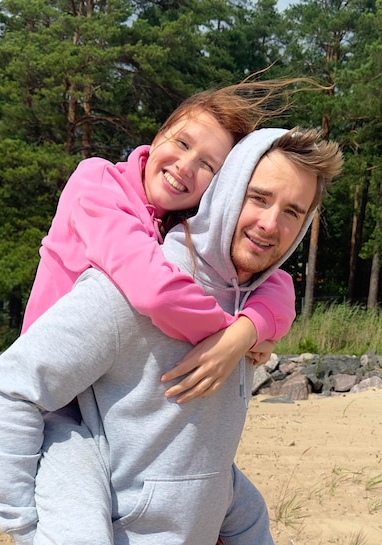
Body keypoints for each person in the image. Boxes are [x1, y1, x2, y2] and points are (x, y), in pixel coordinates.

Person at [0, 127, 343, 545]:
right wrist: (30, 528)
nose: (270, 223)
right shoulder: (128, 292)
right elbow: (6, 391)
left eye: (293, 212)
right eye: (259, 198)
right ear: (229, 191)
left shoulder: (252, 308)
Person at [20, 78, 308, 402]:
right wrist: (230, 338)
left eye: (208, 166)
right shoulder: (97, 185)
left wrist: (250, 329)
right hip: (46, 393)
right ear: (159, 135)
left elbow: (277, 283)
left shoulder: (183, 224)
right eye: (183, 144)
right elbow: (154, 290)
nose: (185, 167)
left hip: (104, 400)